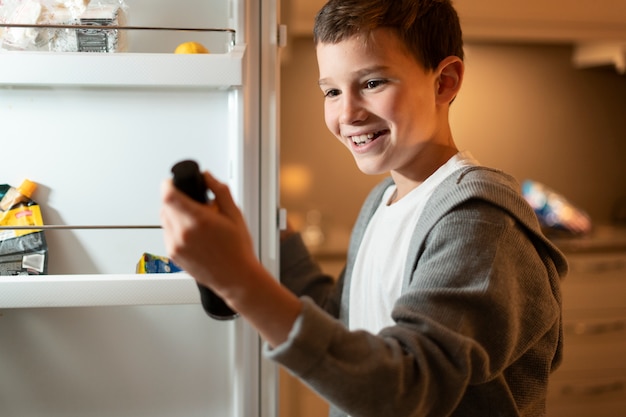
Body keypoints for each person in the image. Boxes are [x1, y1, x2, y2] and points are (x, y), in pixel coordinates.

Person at [160, 0, 568, 415]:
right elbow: (346, 332)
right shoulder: (382, 201)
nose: (347, 113)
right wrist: (274, 239)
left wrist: (238, 281)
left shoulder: (479, 220)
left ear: (444, 82)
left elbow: (404, 388)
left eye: (372, 83)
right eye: (332, 91)